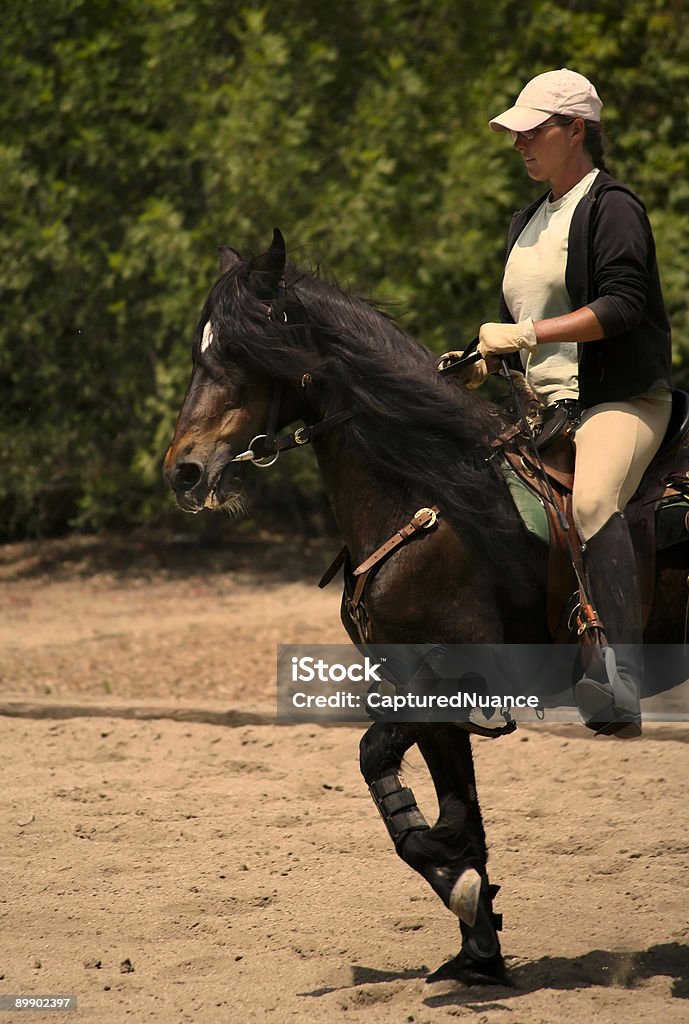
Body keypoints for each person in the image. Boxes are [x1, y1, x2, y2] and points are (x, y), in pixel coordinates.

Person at [442, 69, 673, 737]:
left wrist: (529, 333)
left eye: (530, 130)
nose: (517, 142)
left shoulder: (613, 206)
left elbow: (624, 307)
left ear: (575, 130)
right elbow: (514, 324)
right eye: (512, 133)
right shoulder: (525, 221)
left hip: (618, 401)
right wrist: (482, 356)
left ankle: (617, 676)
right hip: (540, 412)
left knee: (595, 500)